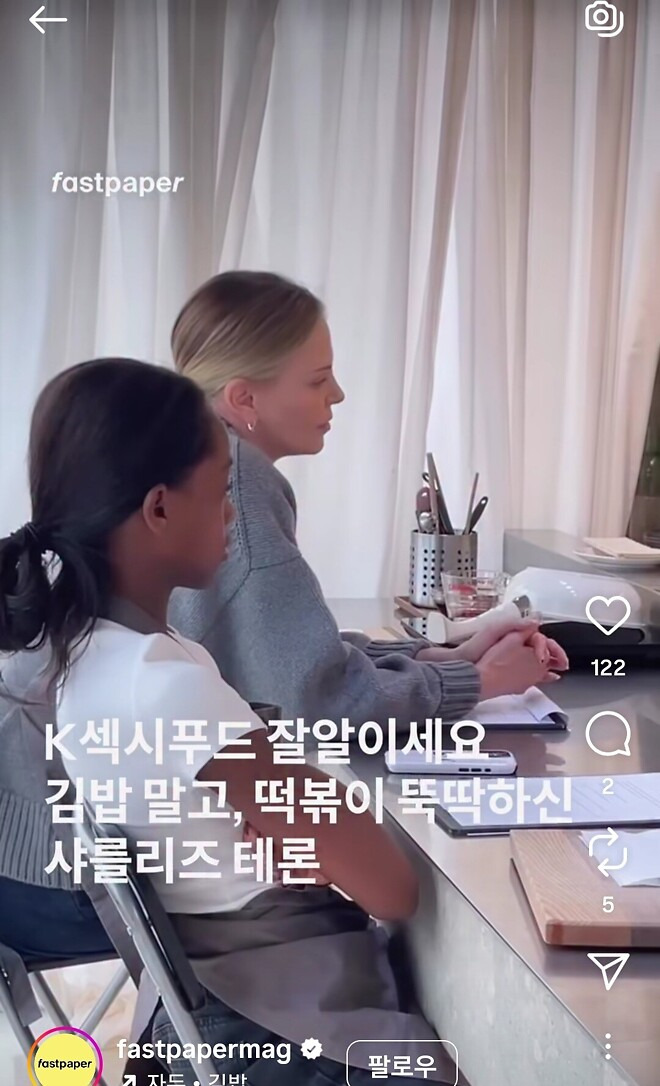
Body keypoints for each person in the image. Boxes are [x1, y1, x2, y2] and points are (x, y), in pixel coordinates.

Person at [0, 358, 560, 1086]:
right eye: (218, 492)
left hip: (209, 1019)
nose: (233, 514)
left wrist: (297, 829)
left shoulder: (86, 655)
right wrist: (313, 828)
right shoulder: (163, 683)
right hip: (286, 1033)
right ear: (159, 509)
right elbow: (393, 887)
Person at [168, 270, 568, 729]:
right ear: (244, 398)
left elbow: (288, 652)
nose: (337, 394)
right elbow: (319, 700)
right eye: (318, 380)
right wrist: (481, 680)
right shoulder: (241, 484)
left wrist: (446, 656)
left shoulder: (196, 458)